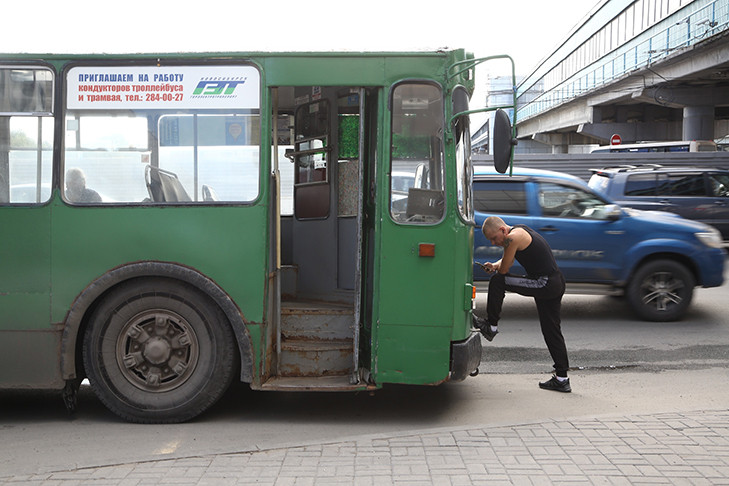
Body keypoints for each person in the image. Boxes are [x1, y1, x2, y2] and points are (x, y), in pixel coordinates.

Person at [474, 216, 571, 393]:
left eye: (494, 238)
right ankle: (562, 378)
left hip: (544, 283)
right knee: (551, 331)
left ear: (503, 230)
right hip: (555, 282)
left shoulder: (513, 237)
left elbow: (505, 270)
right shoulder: (518, 231)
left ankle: (491, 325)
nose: (494, 243)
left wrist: (498, 268)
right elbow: (505, 261)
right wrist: (495, 265)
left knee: (497, 281)